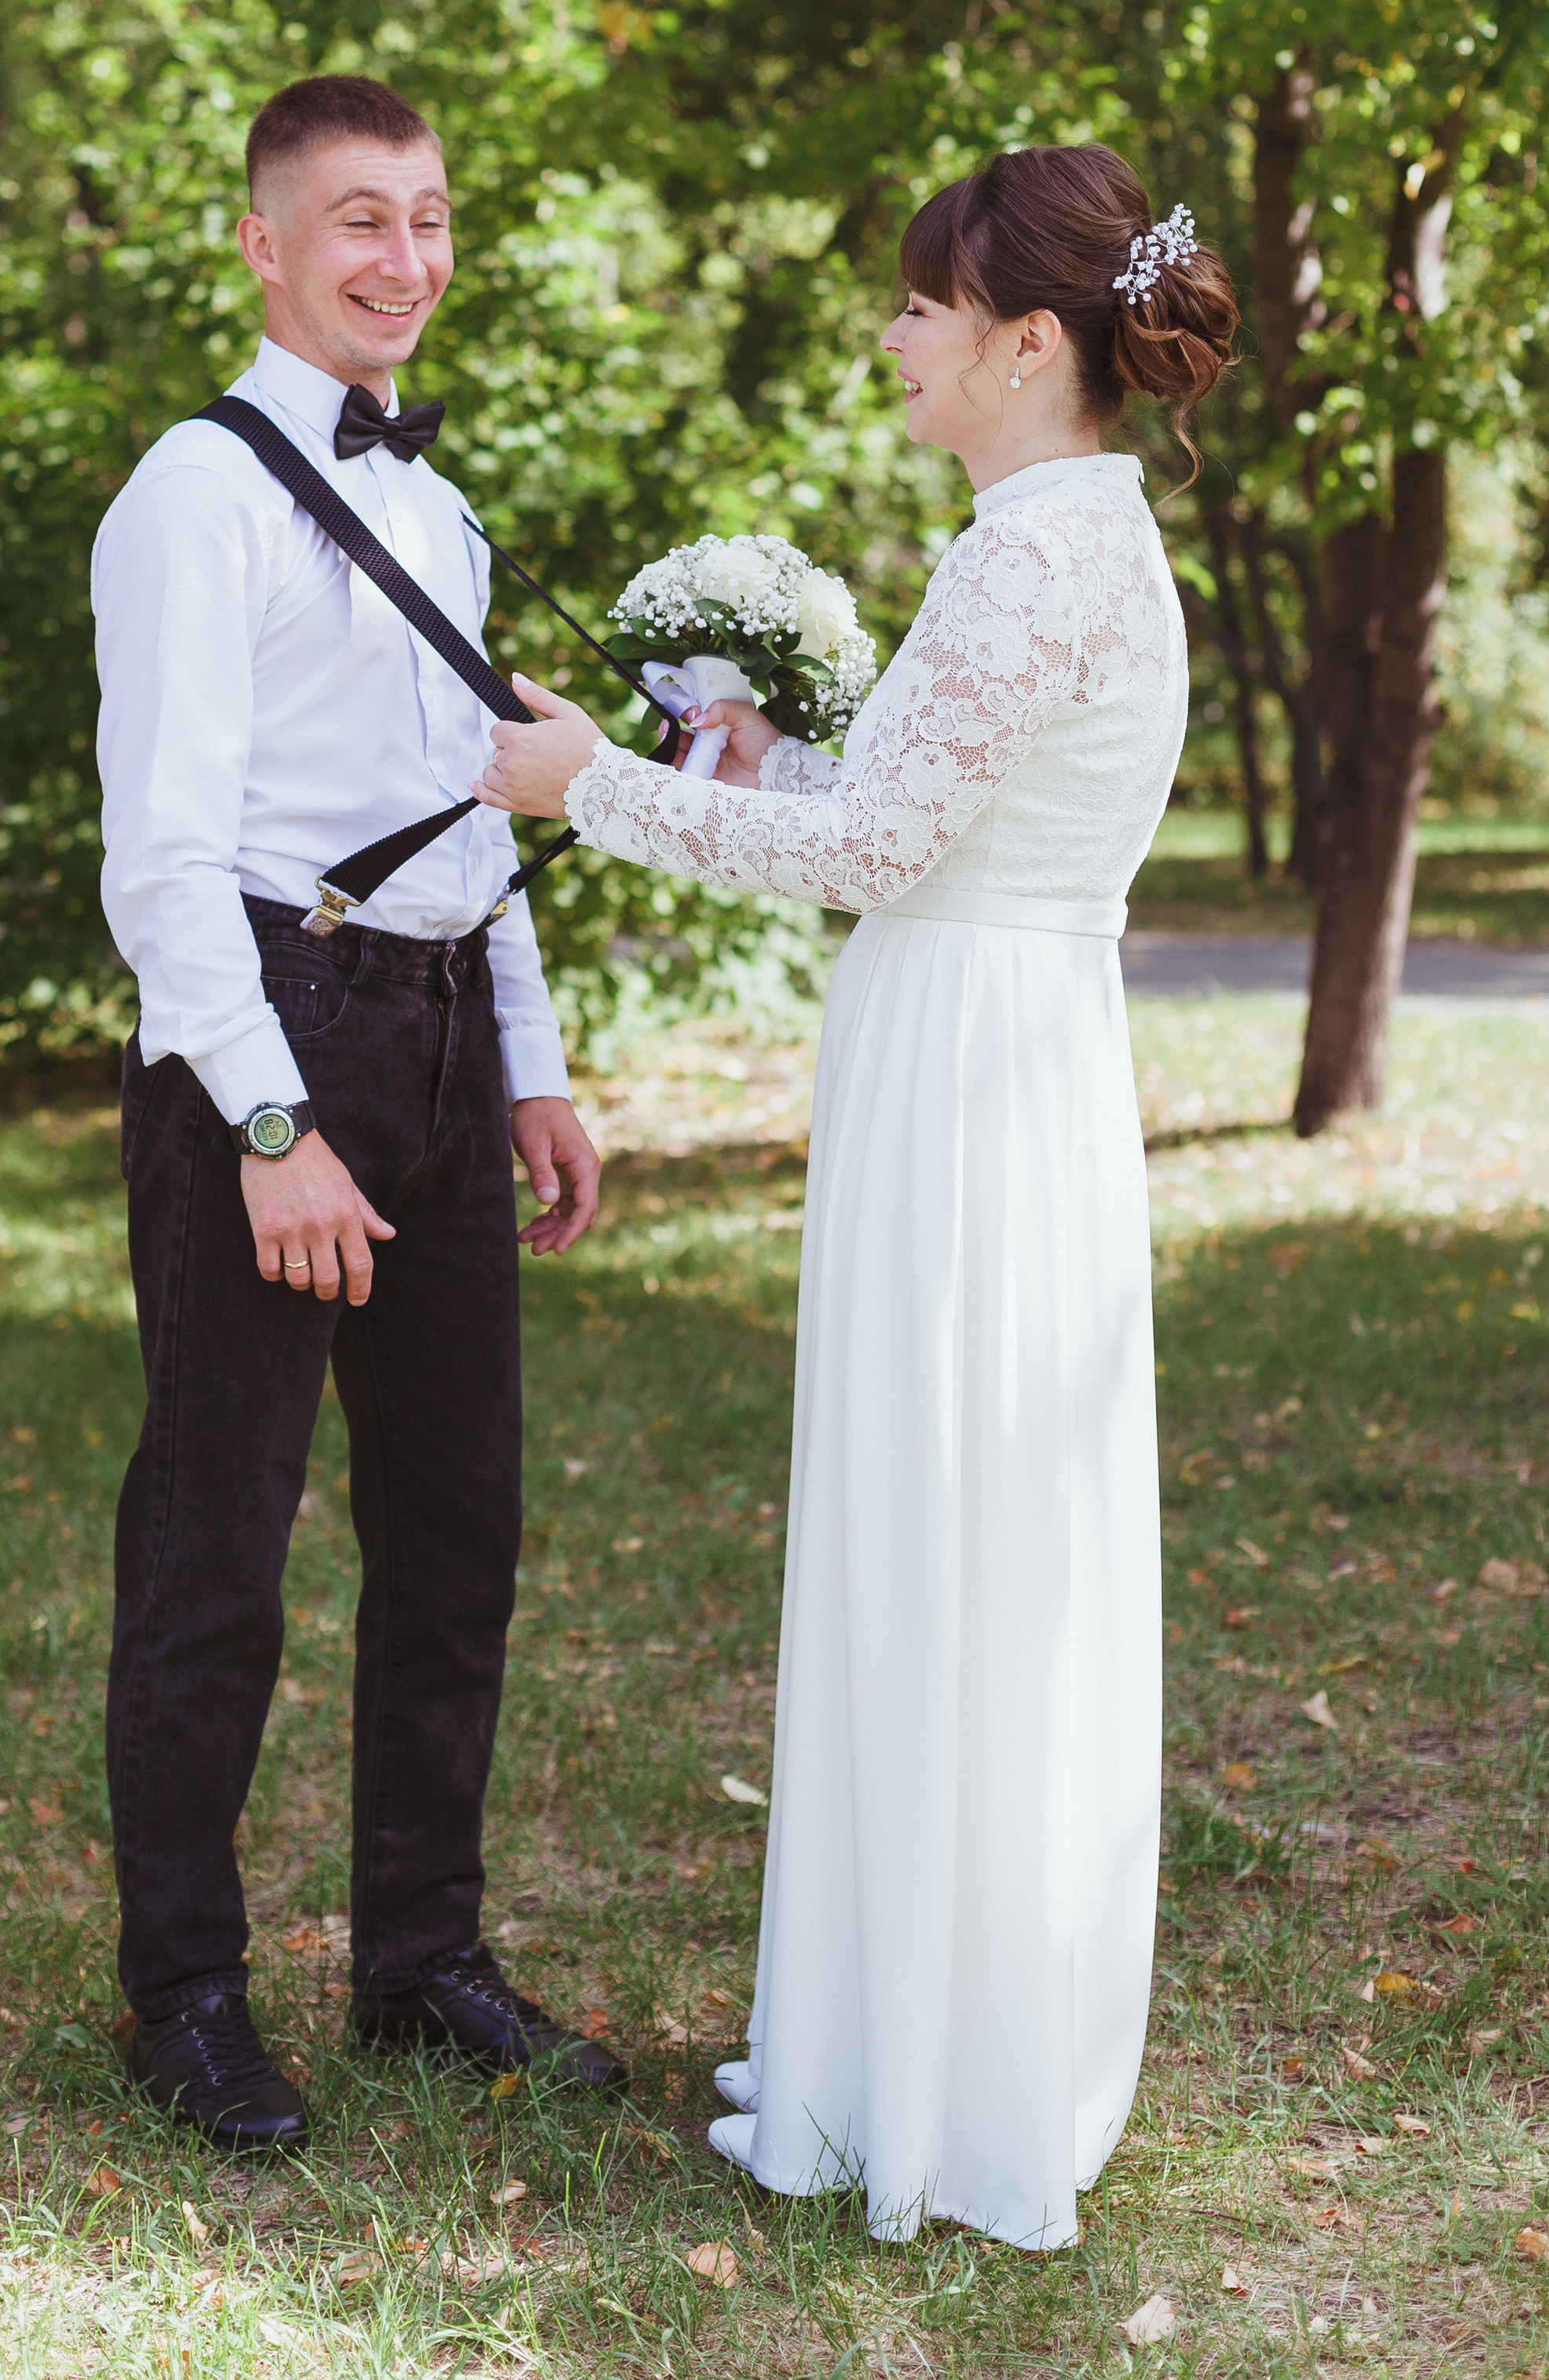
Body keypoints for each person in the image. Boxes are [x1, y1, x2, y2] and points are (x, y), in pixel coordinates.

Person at [474, 143, 1238, 2249]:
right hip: (1000, 1062)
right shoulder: (1074, 534)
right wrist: (740, 755)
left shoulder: (1030, 557)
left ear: (1026, 341)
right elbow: (902, 817)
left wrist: (590, 793)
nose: (891, 338)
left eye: (922, 305)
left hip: (973, 1085)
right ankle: (919, 2031)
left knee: (947, 1541)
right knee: (961, 1540)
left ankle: (928, 2074)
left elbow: (881, 862)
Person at [91, 71, 618, 2153]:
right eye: (356, 222)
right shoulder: (193, 496)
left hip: (434, 1031)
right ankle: (187, 1997)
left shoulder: (435, 497)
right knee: (218, 1545)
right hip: (265, 1035)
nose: (404, 258)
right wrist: (267, 1125)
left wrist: (532, 1063)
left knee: (455, 1533)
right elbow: (160, 859)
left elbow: (478, 808)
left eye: (427, 215)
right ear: (263, 245)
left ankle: (420, 1960)